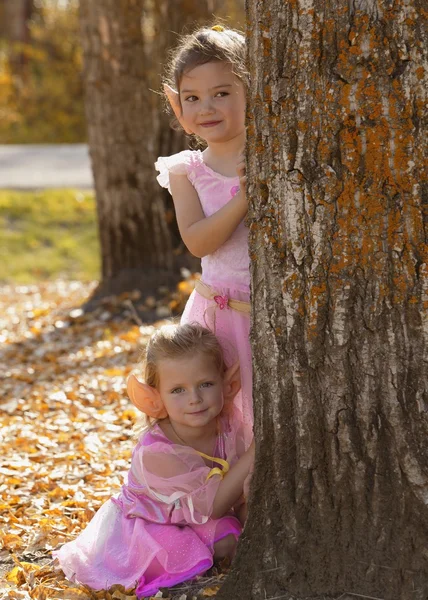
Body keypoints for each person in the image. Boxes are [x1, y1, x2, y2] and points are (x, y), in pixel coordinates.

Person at [53, 323, 254, 598]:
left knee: (247, 522)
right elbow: (216, 506)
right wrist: (260, 448)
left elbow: (235, 489)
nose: (194, 399)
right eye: (178, 390)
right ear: (155, 398)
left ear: (225, 384)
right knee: (228, 541)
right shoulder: (157, 453)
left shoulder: (231, 426)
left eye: (205, 384)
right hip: (155, 522)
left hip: (200, 511)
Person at [155, 25, 252, 447]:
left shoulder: (280, 152)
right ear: (177, 108)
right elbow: (196, 241)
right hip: (220, 317)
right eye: (192, 98)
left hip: (276, 314)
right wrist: (245, 199)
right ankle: (224, 498)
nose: (206, 108)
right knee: (220, 413)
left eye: (222, 93)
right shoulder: (187, 171)